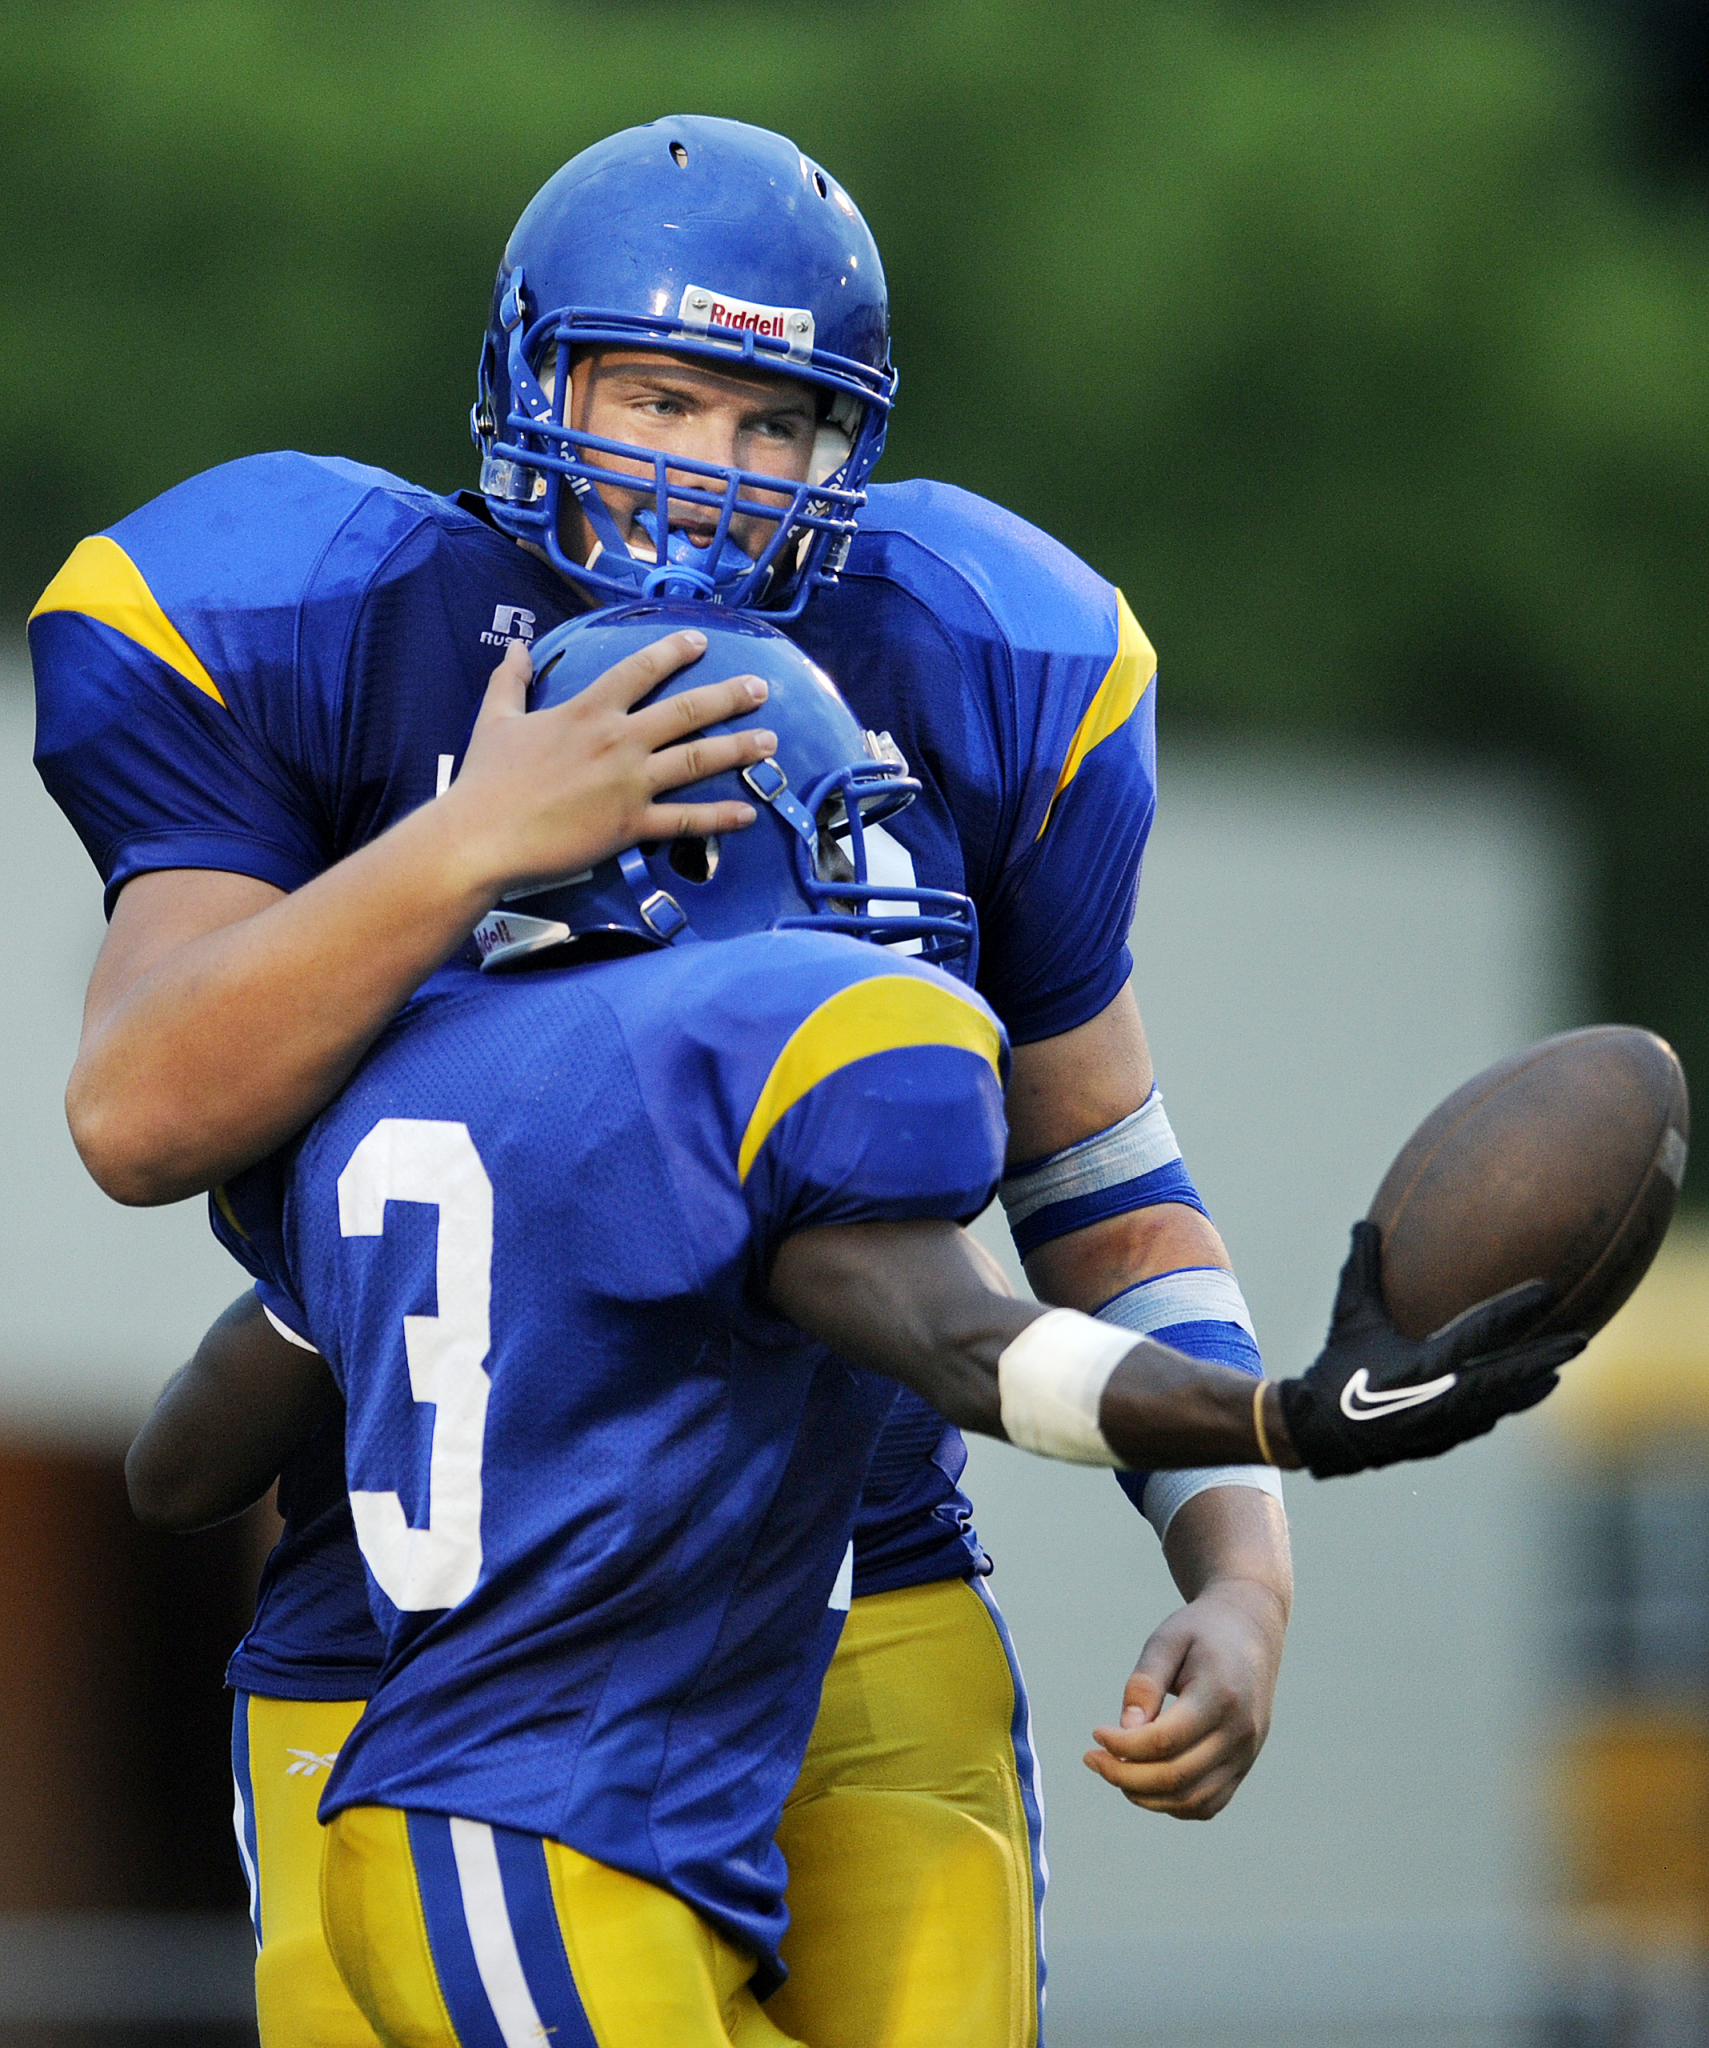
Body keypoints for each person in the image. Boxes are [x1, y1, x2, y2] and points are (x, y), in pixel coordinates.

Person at [37, 116, 1284, 2046]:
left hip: (859, 1593)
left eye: (771, 422)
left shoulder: (965, 649)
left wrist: (1244, 1566)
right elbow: (137, 1113)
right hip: (435, 1642)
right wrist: (467, 842)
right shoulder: (327, 618)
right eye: (663, 396)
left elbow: (1102, 1172)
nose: (710, 471)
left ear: (843, 445)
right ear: (538, 377)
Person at [128, 611, 1580, 2048]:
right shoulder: (734, 1042)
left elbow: (180, 1469)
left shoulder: (399, 1076)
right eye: (826, 833)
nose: (861, 879)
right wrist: (1276, 1419)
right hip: (536, 1824)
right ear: (683, 850)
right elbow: (962, 1345)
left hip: (502, 1816)